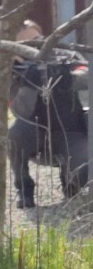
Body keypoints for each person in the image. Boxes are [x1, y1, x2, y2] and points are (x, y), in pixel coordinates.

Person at [7, 19, 90, 208]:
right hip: (37, 138)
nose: (37, 47)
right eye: (27, 45)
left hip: (70, 133)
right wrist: (29, 84)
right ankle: (24, 188)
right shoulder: (13, 71)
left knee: (86, 172)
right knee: (15, 134)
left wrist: (69, 78)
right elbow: (20, 111)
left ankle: (70, 182)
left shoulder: (65, 55)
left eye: (38, 40)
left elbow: (87, 74)